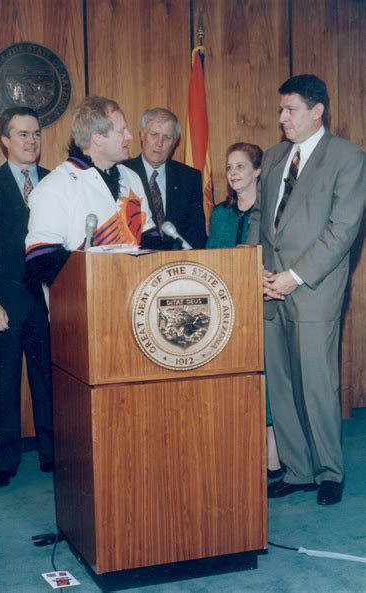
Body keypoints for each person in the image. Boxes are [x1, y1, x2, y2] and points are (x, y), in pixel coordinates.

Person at [248, 74, 365, 505]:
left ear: (317, 111)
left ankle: (329, 471)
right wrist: (257, 270)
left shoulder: (348, 158)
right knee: (279, 382)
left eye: (290, 109)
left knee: (316, 383)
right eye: (280, 109)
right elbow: (261, 218)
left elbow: (343, 229)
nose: (282, 118)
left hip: (312, 288)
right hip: (268, 286)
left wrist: (294, 276)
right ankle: (297, 470)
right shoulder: (276, 157)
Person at [0, 107, 54, 488]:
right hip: (3, 303)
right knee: (3, 383)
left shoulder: (53, 182)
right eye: (22, 134)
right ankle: (4, 462)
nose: (31, 140)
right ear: (4, 139)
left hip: (49, 304)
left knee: (50, 381)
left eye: (35, 133)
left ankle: (54, 456)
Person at [206, 142, 283, 479]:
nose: (233, 173)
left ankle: (274, 460)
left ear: (257, 171)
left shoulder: (272, 212)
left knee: (267, 384)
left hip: (263, 306)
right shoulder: (220, 214)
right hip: (227, 309)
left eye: (240, 167)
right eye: (229, 168)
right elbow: (210, 258)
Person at [25, 96, 161, 285]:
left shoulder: (132, 178)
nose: (129, 136)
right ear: (97, 137)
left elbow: (149, 237)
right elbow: (41, 257)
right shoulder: (55, 185)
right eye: (121, 131)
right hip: (83, 306)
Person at [125, 107, 206, 249]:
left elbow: (196, 234)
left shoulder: (190, 178)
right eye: (154, 134)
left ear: (175, 142)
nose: (159, 143)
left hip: (179, 265)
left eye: (167, 137)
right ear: (142, 135)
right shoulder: (123, 173)